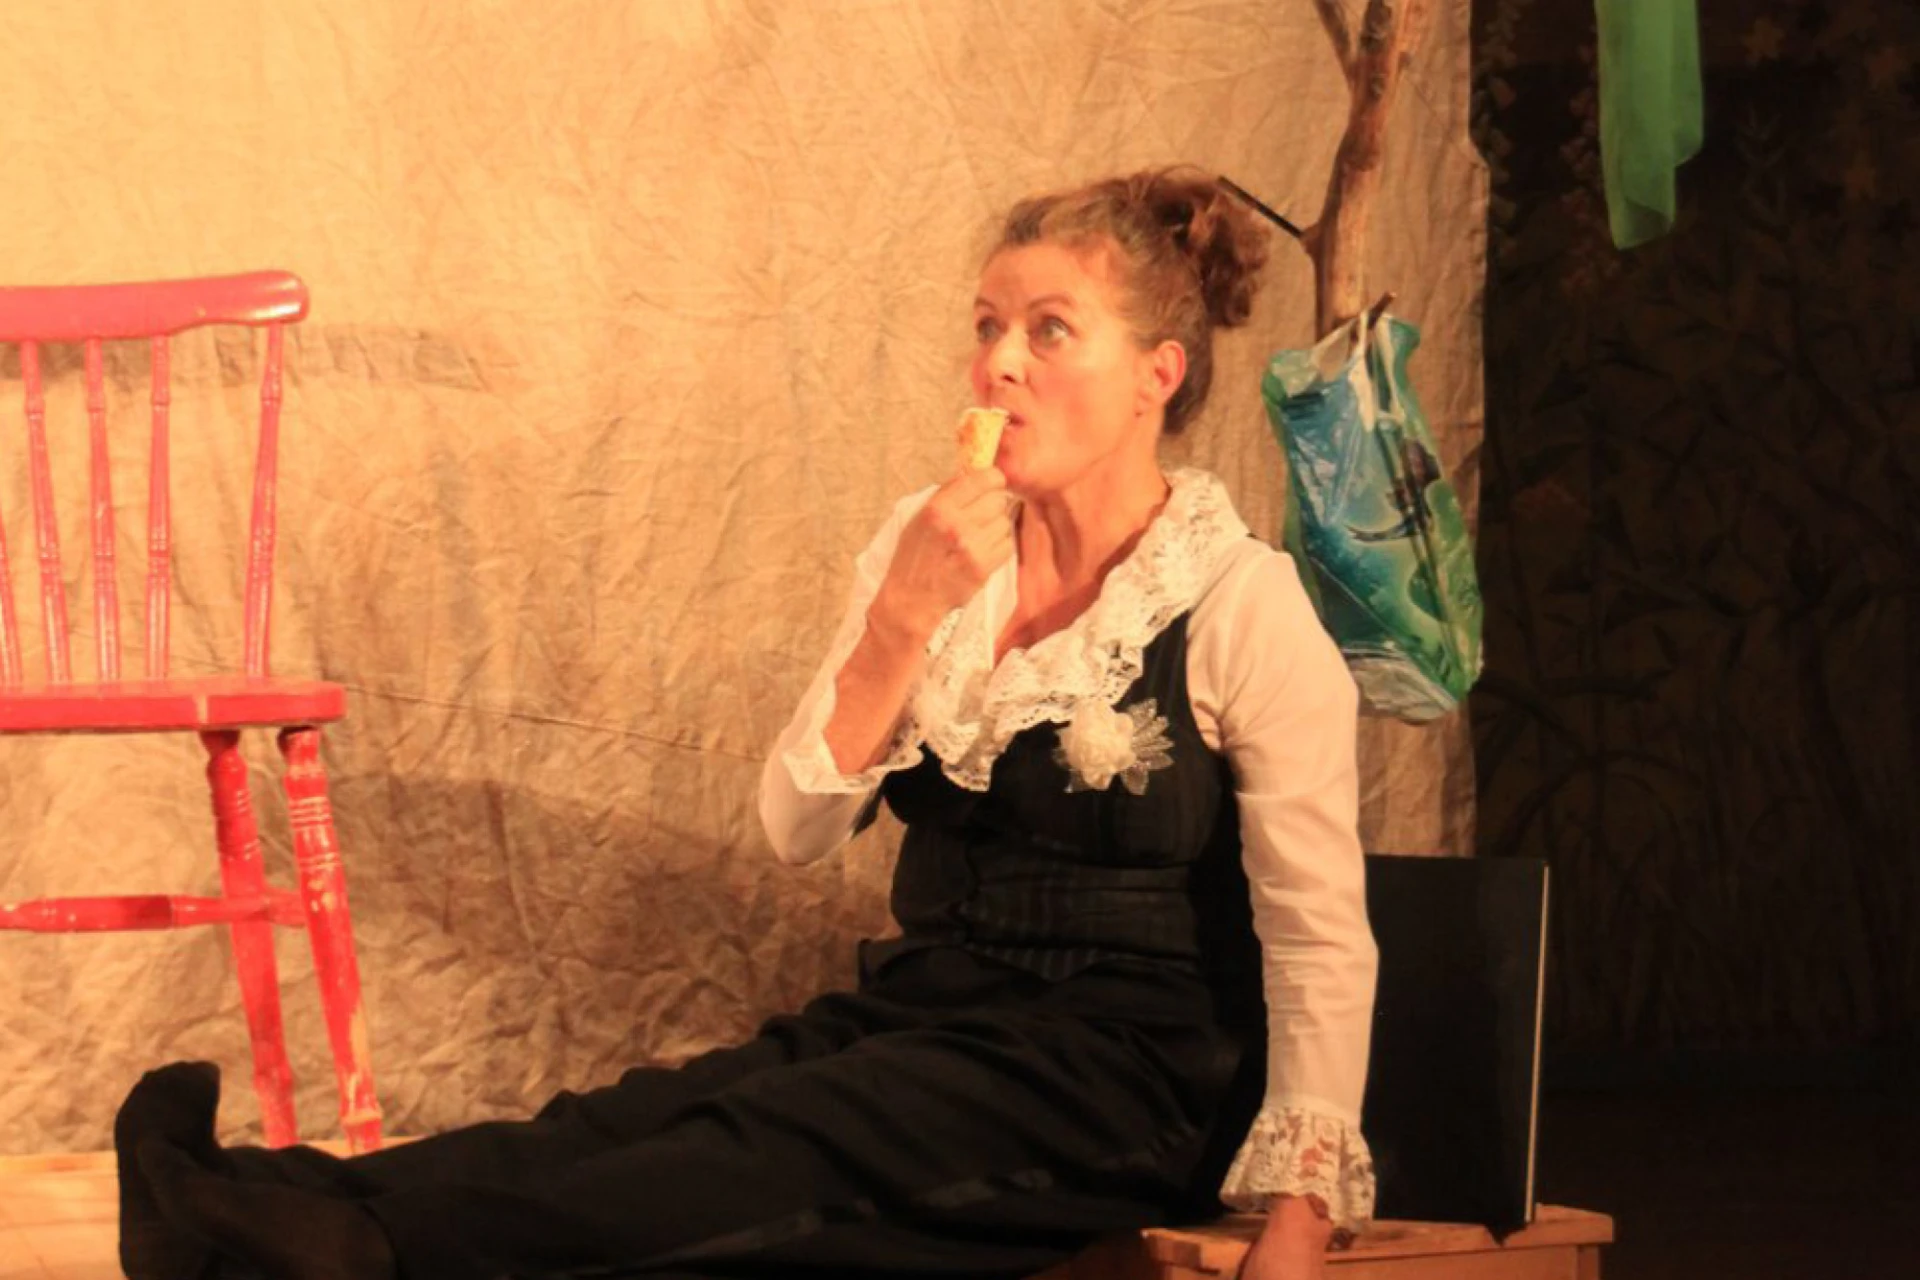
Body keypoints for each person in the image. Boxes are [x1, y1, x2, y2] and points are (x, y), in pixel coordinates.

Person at [113, 166, 1378, 1280]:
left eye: (1051, 329)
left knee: (760, 1148)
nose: (1000, 363)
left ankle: (360, 1256)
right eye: (988, 326)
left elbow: (1320, 935)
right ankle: (246, 1203)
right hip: (928, 1015)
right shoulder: (932, 550)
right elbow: (796, 827)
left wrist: (1299, 1222)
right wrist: (899, 618)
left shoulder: (1239, 601)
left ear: (1158, 373)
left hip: (1127, 1076)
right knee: (652, 1114)